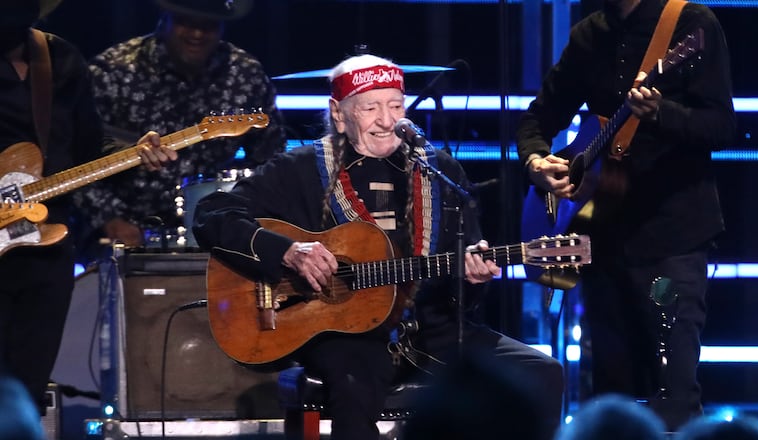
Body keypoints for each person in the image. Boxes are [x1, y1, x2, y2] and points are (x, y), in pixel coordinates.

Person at [193, 54, 565, 440]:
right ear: (339, 114)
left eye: (396, 106)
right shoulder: (299, 169)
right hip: (345, 337)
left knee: (542, 372)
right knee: (355, 388)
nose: (387, 121)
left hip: (431, 330)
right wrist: (286, 251)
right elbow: (210, 213)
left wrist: (473, 277)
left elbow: (462, 298)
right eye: (371, 108)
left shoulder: (442, 173)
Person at [516, 0, 736, 431]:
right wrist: (536, 163)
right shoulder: (588, 34)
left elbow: (722, 126)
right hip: (601, 238)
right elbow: (537, 119)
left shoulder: (691, 24)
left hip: (671, 240)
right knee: (611, 394)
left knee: (672, 388)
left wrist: (661, 113)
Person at [0, 0, 170, 417]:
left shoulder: (57, 57)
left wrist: (132, 153)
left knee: (26, 388)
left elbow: (88, 147)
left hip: (45, 242)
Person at [74, 0, 287, 251]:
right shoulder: (112, 72)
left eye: (208, 25)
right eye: (186, 22)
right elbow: (72, 156)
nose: (197, 34)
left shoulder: (244, 74)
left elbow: (271, 158)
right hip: (122, 233)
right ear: (165, 18)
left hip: (214, 233)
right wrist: (109, 219)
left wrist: (243, 219)